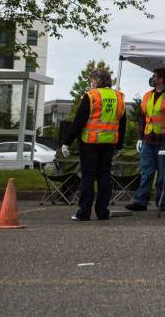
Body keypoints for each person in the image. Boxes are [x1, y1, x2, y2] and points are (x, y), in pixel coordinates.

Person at [61, 68, 126, 221]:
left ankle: (84, 212)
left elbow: (79, 121)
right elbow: (122, 123)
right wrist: (119, 145)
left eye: (92, 79)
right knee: (104, 176)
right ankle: (102, 212)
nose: (91, 82)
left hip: (90, 142)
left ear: (96, 80)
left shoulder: (91, 96)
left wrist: (66, 142)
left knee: (88, 176)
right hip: (109, 142)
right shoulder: (118, 97)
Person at [125, 68, 165, 212]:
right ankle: (141, 201)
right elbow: (142, 119)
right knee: (146, 172)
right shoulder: (146, 96)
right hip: (148, 140)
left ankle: (161, 201)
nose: (152, 78)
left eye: (154, 76)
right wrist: (140, 138)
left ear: (162, 79)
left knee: (162, 175)